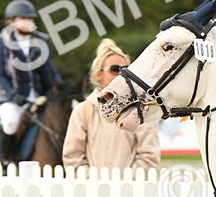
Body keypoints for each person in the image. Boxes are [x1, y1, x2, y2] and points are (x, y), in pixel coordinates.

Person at [63, 39, 161, 172]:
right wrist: (95, 185)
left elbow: (149, 157)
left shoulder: (141, 110)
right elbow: (73, 158)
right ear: (99, 75)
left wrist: (125, 183)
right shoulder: (82, 111)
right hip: (91, 191)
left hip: (131, 191)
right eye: (115, 69)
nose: (121, 74)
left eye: (126, 69)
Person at [0, 0, 63, 165]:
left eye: (30, 19)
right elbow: (1, 76)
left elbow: (49, 70)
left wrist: (59, 87)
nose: (28, 22)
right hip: (12, 97)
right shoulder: (2, 45)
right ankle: (6, 159)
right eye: (23, 19)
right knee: (10, 122)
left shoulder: (41, 41)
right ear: (12, 22)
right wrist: (13, 95)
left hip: (39, 95)